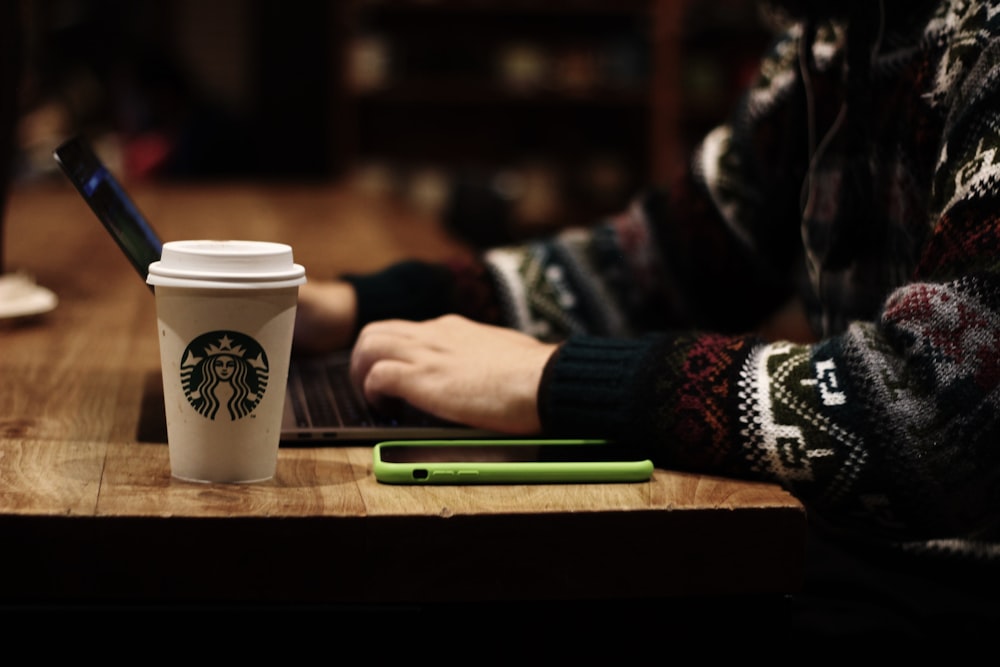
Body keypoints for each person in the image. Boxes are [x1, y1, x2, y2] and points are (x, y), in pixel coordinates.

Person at [293, 0, 1000, 640]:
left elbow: (942, 413)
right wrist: (365, 304)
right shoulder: (829, 42)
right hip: (853, 549)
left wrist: (552, 379)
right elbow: (657, 262)